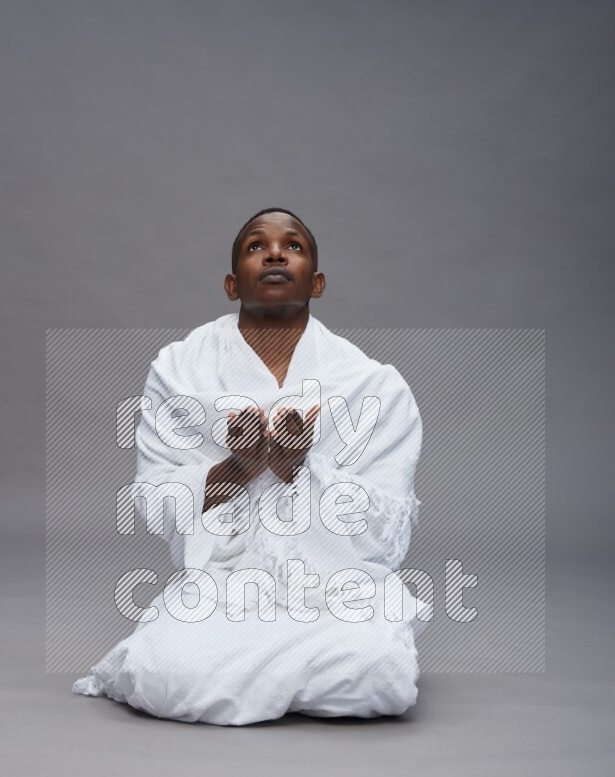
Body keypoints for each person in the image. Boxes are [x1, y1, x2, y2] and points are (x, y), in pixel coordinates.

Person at [72, 207, 427, 725]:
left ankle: (255, 672)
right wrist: (234, 471)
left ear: (319, 282)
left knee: (380, 674)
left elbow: (387, 537)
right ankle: (298, 675)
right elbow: (154, 500)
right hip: (226, 585)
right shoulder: (178, 370)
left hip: (333, 591)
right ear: (232, 283)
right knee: (165, 674)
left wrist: (301, 470)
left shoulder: (375, 387)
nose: (277, 253)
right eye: (257, 246)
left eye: (294, 246)